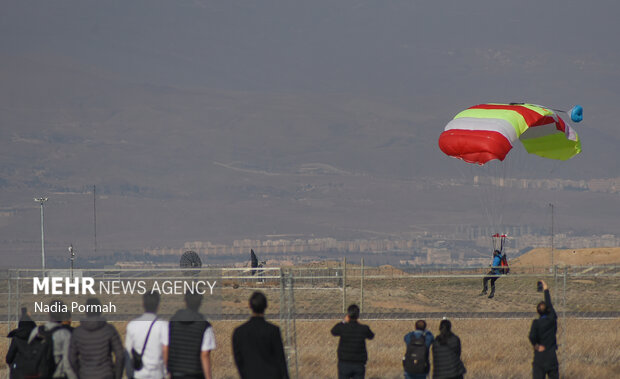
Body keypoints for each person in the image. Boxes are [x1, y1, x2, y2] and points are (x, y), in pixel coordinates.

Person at [232, 291, 289, 379]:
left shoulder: (239, 332)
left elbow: (239, 360)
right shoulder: (273, 330)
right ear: (266, 306)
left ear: (249, 306)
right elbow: (280, 359)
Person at [69, 298, 125, 379]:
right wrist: (117, 375)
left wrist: (79, 374)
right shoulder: (109, 329)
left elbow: (71, 358)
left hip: (85, 374)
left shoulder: (78, 332)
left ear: (86, 311)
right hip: (106, 374)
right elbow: (120, 355)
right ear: (100, 311)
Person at [165, 292, 215, 379]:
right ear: (200, 303)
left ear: (185, 301)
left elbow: (166, 348)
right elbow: (205, 354)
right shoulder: (204, 325)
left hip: (176, 373)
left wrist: (166, 371)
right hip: (196, 373)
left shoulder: (172, 323)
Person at [25, 300, 77, 379]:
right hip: (57, 375)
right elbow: (67, 363)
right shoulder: (65, 334)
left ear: (48, 313)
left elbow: (28, 354)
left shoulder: (37, 331)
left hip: (38, 374)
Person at [125, 291, 168, 379]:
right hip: (157, 374)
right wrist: (166, 372)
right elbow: (165, 350)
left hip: (138, 374)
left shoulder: (132, 325)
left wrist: (129, 373)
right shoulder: (163, 325)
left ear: (143, 304)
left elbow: (127, 352)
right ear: (158, 305)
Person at [330, 304, 375, 379]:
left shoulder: (343, 328)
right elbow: (371, 336)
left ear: (348, 315)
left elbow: (333, 331)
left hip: (344, 362)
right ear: (358, 315)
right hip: (359, 364)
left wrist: (344, 321)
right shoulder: (363, 329)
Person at [528, 280, 559, 379]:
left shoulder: (536, 323)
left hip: (540, 356)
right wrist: (546, 289)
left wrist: (536, 345)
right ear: (548, 311)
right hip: (551, 355)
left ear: (537, 312)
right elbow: (549, 305)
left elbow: (531, 336)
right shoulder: (552, 319)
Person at [5, 308, 36, 378]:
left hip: (18, 373)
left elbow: (8, 358)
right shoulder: (37, 339)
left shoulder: (16, 339)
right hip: (33, 372)